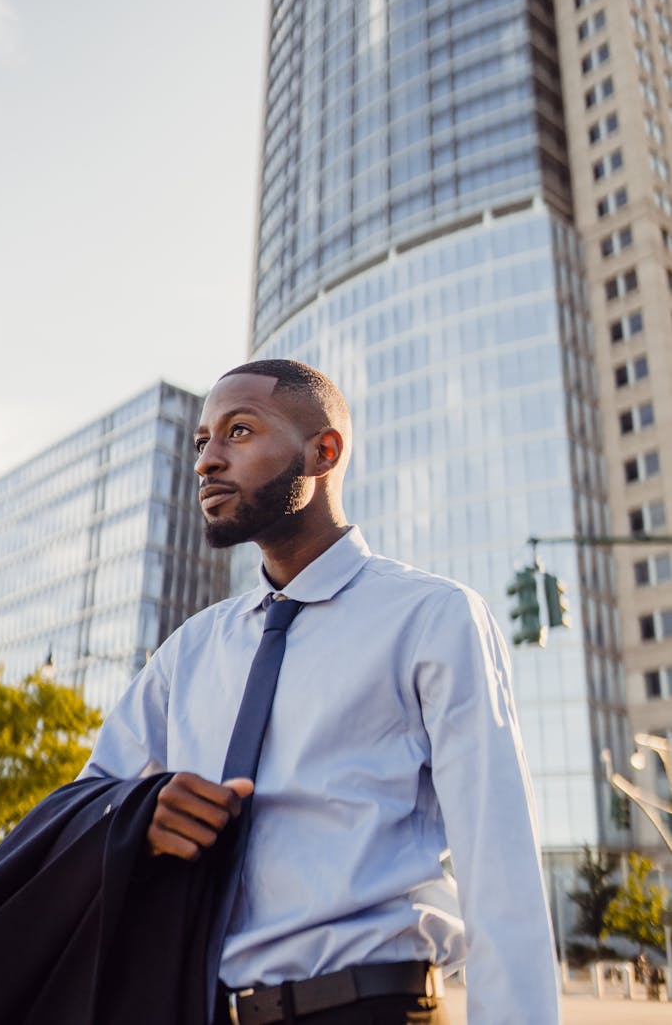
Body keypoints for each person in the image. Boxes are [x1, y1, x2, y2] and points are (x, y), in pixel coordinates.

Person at [82, 358, 560, 1025]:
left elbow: (499, 859)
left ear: (322, 451)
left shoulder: (433, 617)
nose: (207, 461)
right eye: (202, 441)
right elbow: (84, 804)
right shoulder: (187, 654)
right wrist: (143, 812)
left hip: (374, 1005)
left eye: (238, 432)